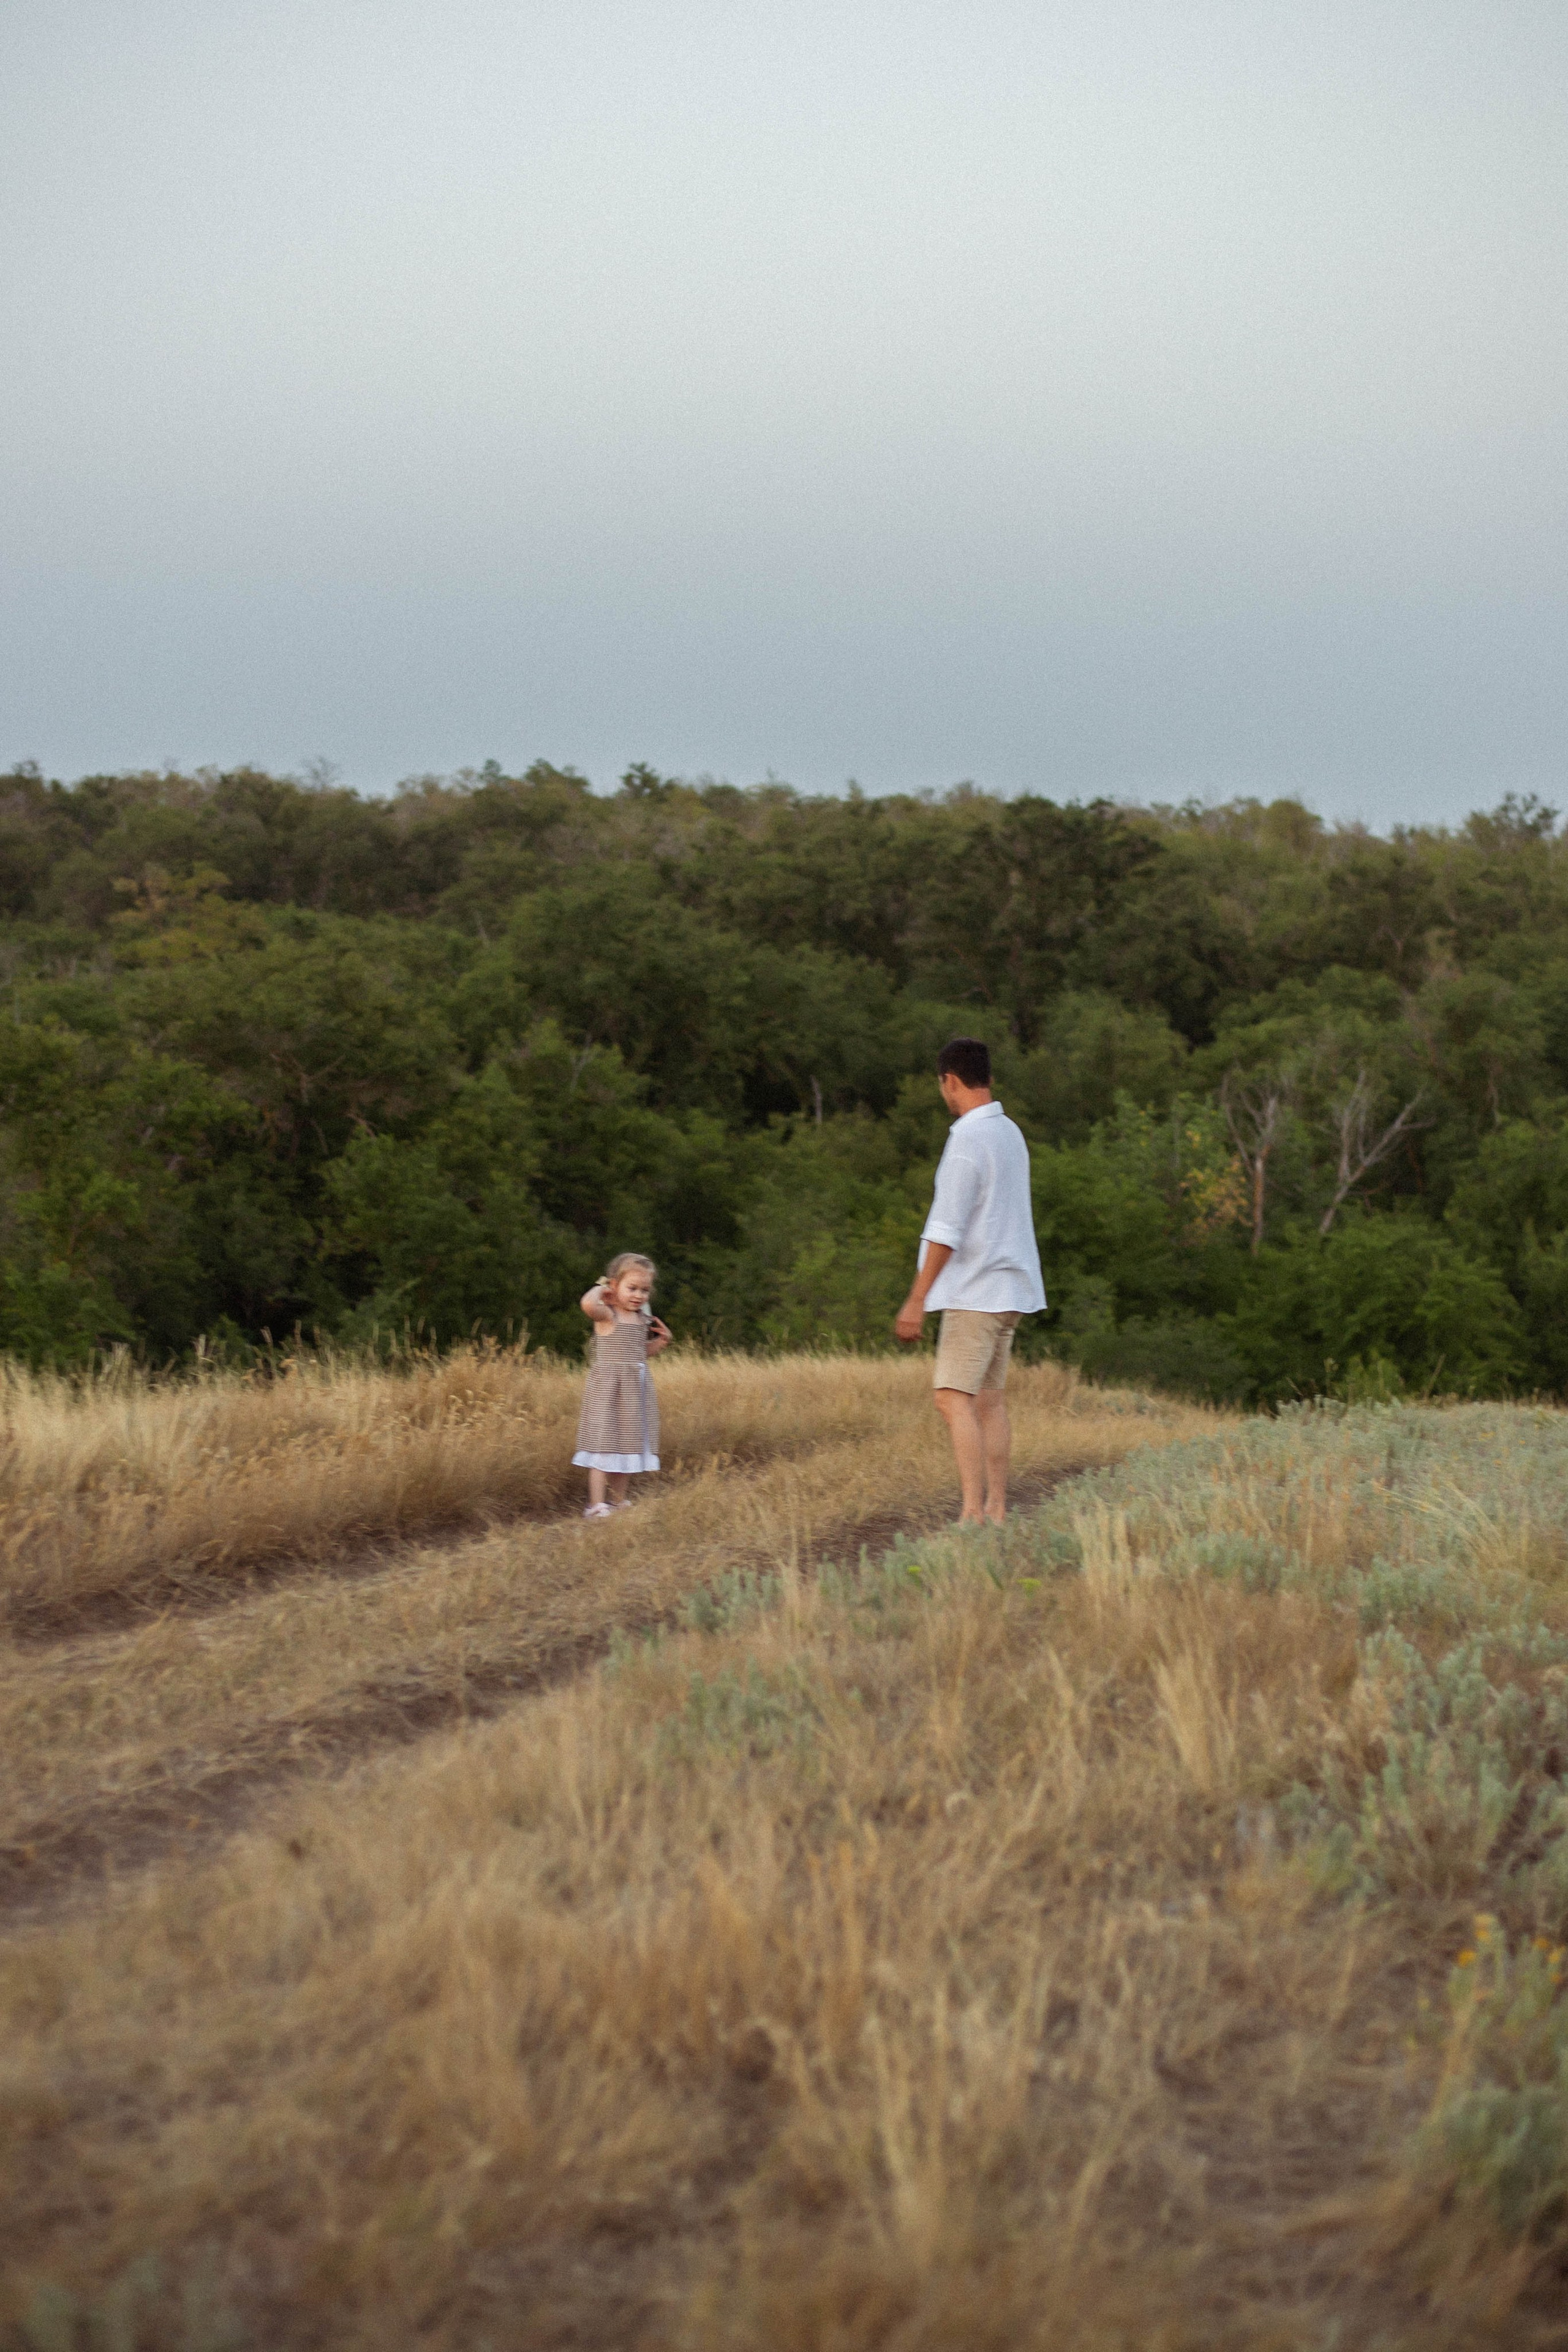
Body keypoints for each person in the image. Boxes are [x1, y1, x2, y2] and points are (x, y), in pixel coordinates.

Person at [894, 1038, 1046, 1525]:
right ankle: (998, 1510)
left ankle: (972, 1514)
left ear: (949, 1081)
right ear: (989, 1079)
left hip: (976, 1293)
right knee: (989, 1400)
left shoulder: (967, 1140)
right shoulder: (1010, 1133)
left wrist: (916, 1300)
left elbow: (946, 1230)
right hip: (1010, 1290)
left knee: (951, 1398)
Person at [573, 1252, 671, 1520]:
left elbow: (639, 1352)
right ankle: (596, 1505)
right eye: (632, 1288)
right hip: (609, 1391)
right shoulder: (608, 1315)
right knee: (603, 1445)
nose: (639, 1295)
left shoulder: (640, 1320)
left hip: (634, 1392)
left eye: (645, 1290)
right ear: (615, 1286)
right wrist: (603, 1288)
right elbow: (587, 1305)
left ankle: (618, 1501)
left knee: (628, 1445)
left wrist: (661, 1343)